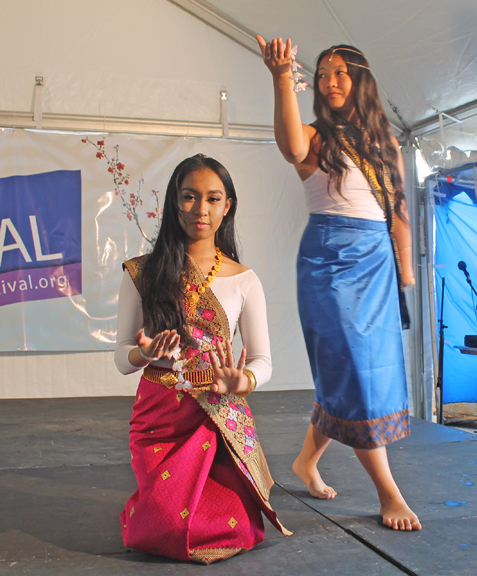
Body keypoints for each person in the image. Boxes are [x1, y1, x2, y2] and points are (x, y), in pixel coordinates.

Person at [256, 35, 422, 531]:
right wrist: (281, 77)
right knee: (355, 372)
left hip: (376, 265)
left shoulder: (385, 142)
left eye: (340, 73)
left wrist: (405, 277)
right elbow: (289, 147)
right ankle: (389, 493)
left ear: (360, 81)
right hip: (328, 263)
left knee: (354, 373)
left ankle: (305, 462)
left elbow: (398, 213)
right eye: (323, 74)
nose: (329, 81)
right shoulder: (314, 137)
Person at [114, 154, 291, 564]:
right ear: (175, 203)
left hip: (216, 412)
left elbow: (263, 360)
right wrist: (143, 353)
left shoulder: (244, 279)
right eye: (190, 197)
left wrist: (239, 382)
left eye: (213, 199)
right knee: (169, 524)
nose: (200, 209)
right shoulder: (142, 273)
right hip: (159, 416)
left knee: (238, 526)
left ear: (227, 206)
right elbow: (122, 358)